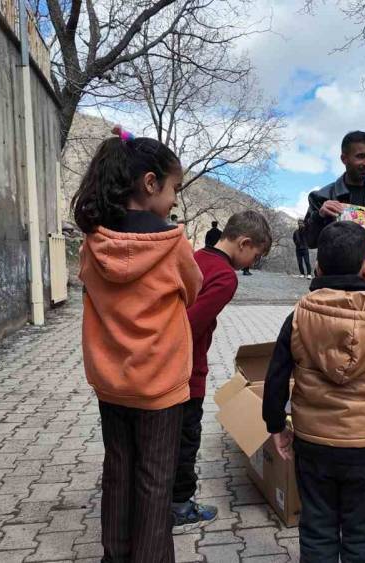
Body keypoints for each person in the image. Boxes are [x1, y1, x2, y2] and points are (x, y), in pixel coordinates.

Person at [72, 130, 202, 562]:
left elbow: (89, 287)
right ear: (150, 184)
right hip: (160, 384)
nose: (174, 202)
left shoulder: (94, 242)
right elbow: (193, 290)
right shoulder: (172, 244)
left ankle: (115, 555)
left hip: (111, 382)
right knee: (154, 479)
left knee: (119, 470)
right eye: (173, 190)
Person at [262, 221, 365, 561]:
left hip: (314, 444)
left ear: (317, 267)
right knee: (364, 533)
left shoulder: (299, 315)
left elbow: (276, 377)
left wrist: (275, 425)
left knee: (317, 529)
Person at [173, 211, 273, 532]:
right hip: (186, 368)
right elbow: (188, 326)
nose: (250, 264)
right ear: (244, 243)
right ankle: (180, 504)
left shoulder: (196, 256)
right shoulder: (225, 276)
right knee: (187, 436)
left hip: (160, 368)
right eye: (254, 256)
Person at [303, 131, 365, 299]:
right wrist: (319, 216)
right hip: (332, 286)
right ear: (344, 159)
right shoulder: (322, 196)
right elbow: (309, 240)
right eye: (360, 156)